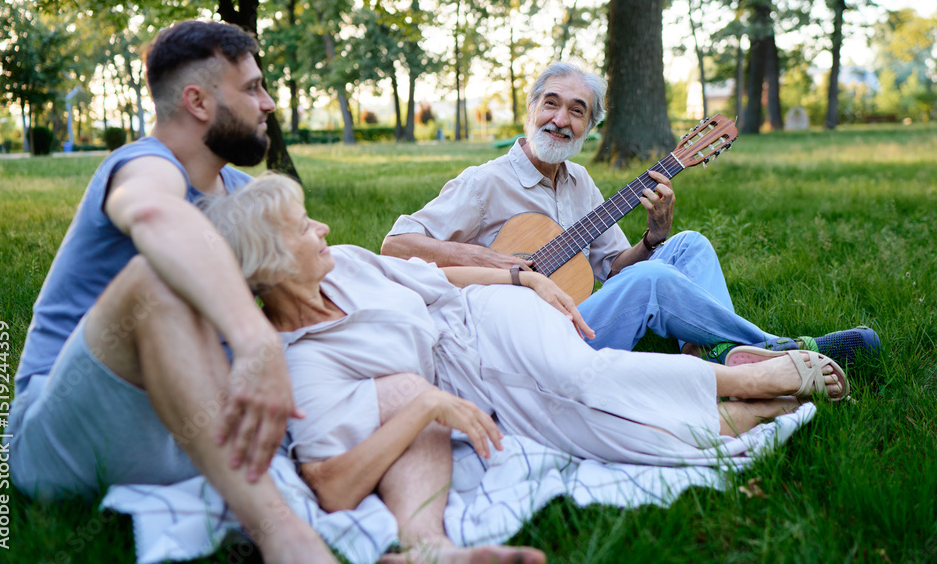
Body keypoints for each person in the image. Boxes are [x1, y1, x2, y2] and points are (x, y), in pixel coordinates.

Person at [202, 173, 851, 562]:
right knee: (589, 431)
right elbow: (332, 484)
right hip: (462, 374)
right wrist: (425, 404)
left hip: (486, 315)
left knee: (580, 380)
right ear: (272, 260)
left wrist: (520, 277)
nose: (320, 226)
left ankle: (749, 377)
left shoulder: (344, 260)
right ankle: (741, 412)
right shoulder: (304, 359)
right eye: (300, 226)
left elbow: (431, 273)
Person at [6, 21, 337, 564]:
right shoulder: (144, 165)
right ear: (197, 101)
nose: (269, 102)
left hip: (189, 430)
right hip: (64, 440)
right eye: (252, 87)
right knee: (155, 281)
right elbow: (155, 212)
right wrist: (255, 339)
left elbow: (315, 271)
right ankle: (289, 544)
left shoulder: (242, 192)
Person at [380, 61, 880, 365]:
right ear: (531, 109)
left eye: (577, 111)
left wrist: (654, 235)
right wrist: (498, 264)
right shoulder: (486, 182)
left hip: (580, 318)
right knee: (649, 286)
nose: (560, 119)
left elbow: (613, 268)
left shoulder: (581, 183)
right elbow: (395, 245)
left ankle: (711, 354)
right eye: (551, 104)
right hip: (518, 339)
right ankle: (778, 349)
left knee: (689, 245)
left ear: (589, 127)